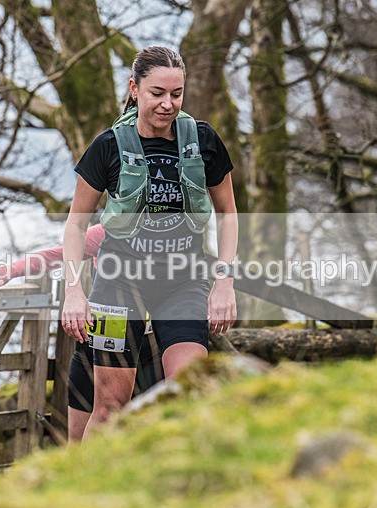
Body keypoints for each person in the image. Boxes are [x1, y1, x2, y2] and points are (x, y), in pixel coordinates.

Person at [61, 46, 238, 437]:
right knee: (109, 407)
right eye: (157, 92)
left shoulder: (203, 140)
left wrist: (224, 282)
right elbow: (75, 226)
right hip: (117, 284)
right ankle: (86, 492)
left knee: (191, 392)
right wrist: (73, 291)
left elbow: (228, 214)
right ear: (135, 88)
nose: (168, 104)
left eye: (176, 94)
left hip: (183, 282)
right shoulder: (108, 146)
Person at [0, 224, 163, 442]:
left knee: (143, 437)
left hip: (149, 351)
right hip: (95, 350)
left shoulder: (177, 232)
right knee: (77, 443)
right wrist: (10, 270)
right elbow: (54, 256)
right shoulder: (106, 231)